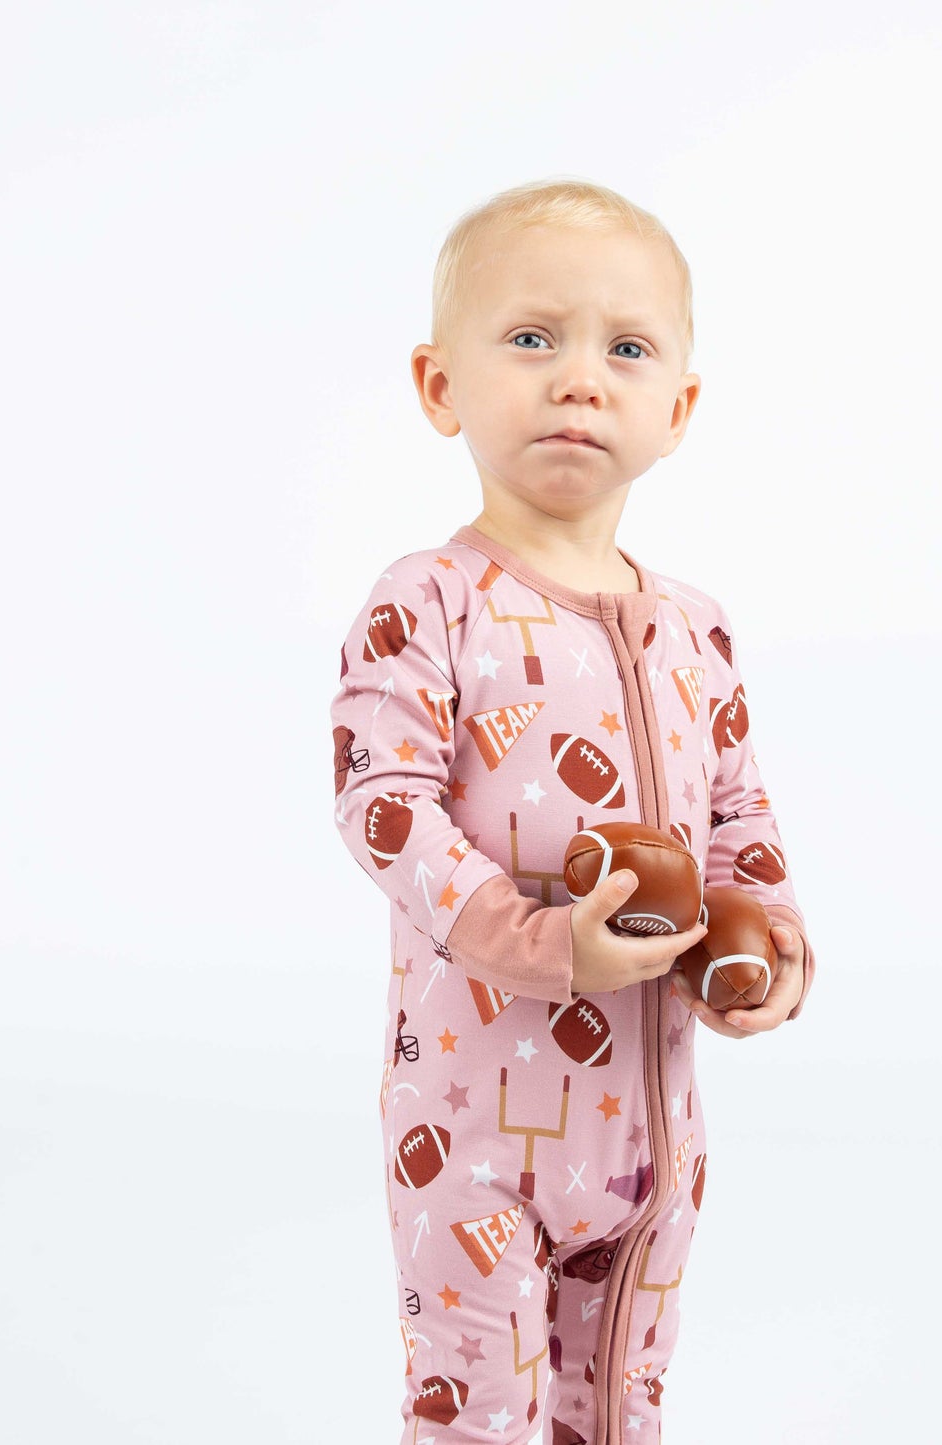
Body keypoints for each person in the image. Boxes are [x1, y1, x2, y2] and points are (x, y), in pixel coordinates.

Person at [329, 176, 816, 1445]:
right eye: (531, 337)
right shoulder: (428, 600)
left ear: (677, 410)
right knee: (480, 1412)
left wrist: (758, 945)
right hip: (472, 1128)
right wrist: (543, 943)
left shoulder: (695, 627)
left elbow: (737, 820)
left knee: (623, 1410)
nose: (577, 377)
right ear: (440, 386)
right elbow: (383, 807)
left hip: (652, 1138)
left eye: (626, 347)